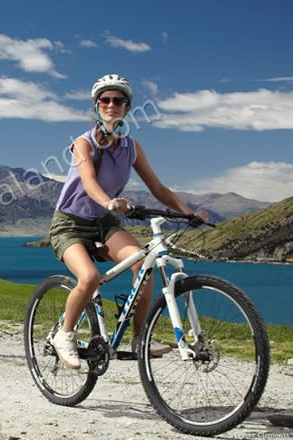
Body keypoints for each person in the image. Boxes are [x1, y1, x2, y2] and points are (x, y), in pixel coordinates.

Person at [49, 74, 209, 369]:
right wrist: (109, 201)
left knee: (142, 265)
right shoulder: (82, 144)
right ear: (96, 107)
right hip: (69, 224)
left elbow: (158, 188)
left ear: (127, 108)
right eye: (105, 100)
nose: (111, 105)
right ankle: (64, 334)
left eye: (118, 100)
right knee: (89, 278)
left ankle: (140, 338)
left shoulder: (132, 148)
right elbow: (88, 182)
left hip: (104, 223)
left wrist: (188, 212)